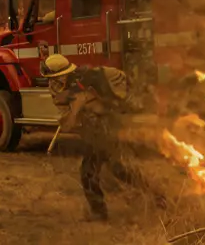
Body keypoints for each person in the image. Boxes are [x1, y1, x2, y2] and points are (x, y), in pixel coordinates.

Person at [41, 54, 166, 221]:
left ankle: (157, 196)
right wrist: (74, 111)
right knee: (90, 172)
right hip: (92, 132)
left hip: (107, 127)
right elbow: (68, 119)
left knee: (117, 169)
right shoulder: (57, 89)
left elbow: (110, 99)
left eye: (56, 78)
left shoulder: (89, 78)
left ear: (64, 73)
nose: (54, 82)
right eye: (52, 79)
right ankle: (100, 212)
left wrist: (88, 104)